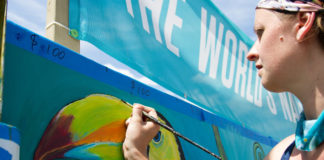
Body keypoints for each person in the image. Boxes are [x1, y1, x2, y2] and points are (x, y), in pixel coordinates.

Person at [123, 0, 324, 159]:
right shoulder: (281, 153)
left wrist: (137, 154)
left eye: (261, 32)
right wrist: (138, 153)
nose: (251, 53)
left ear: (303, 22)